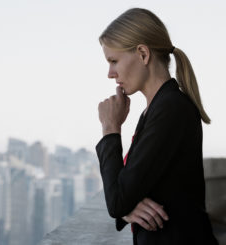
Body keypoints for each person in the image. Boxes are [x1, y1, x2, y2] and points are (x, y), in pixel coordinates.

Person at [95, 8, 219, 245]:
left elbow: (118, 198)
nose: (110, 73)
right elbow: (125, 192)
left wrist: (110, 128)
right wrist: (126, 208)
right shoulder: (158, 108)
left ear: (142, 53)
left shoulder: (170, 109)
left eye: (114, 61)